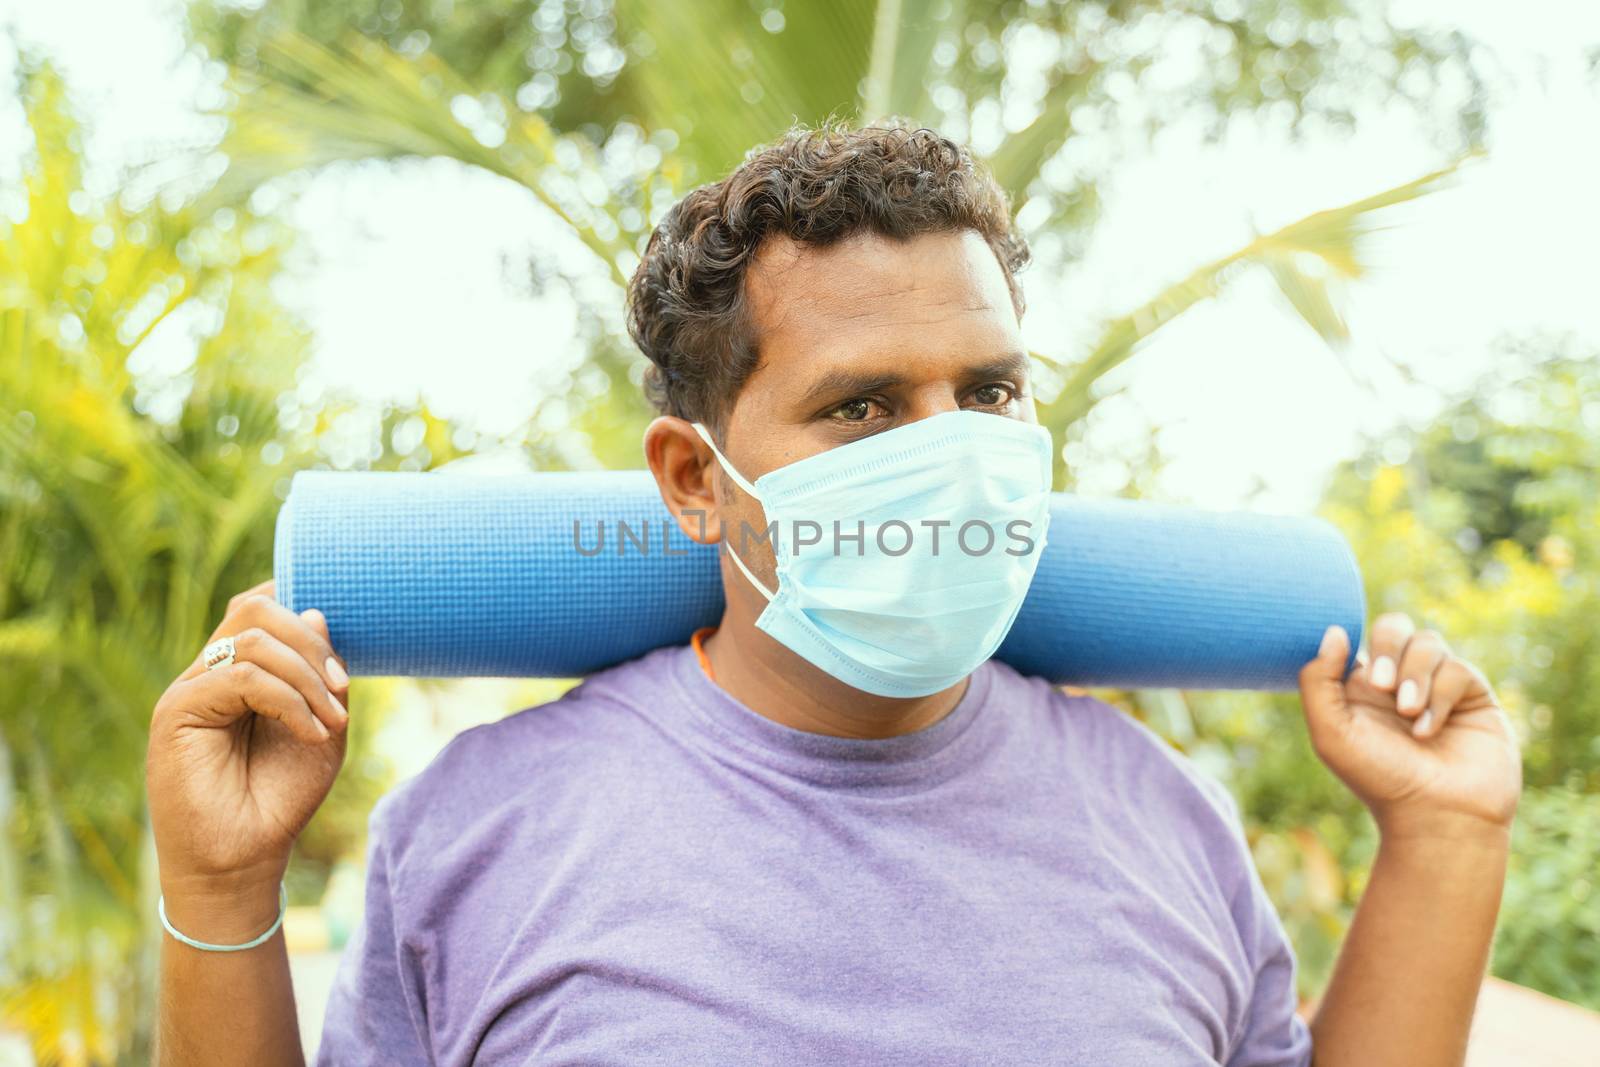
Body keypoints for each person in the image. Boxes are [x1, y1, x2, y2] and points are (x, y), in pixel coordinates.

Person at [146, 123, 1522, 1066]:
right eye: (864, 408)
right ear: (694, 479)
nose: (956, 456)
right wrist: (220, 880)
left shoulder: (1165, 820)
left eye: (988, 393)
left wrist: (1446, 842)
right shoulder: (478, 829)